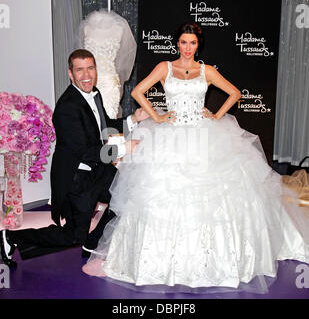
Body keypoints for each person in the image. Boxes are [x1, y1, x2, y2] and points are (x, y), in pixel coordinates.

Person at [82, 23, 309, 294]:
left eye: (192, 43)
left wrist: (216, 114)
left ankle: (215, 262)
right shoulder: (165, 68)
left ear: (197, 45)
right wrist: (157, 116)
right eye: (183, 42)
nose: (187, 47)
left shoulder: (207, 71)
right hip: (171, 136)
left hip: (206, 135)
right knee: (161, 195)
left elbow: (234, 93)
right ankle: (160, 262)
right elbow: (137, 91)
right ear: (177, 43)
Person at [0, 49, 149, 268]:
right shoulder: (66, 108)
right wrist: (124, 148)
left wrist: (133, 119)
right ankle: (12, 238)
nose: (86, 75)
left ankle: (92, 241)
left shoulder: (93, 93)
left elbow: (103, 127)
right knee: (72, 236)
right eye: (80, 70)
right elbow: (86, 151)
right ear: (70, 74)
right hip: (78, 178)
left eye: (90, 68)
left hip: (100, 169)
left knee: (128, 195)